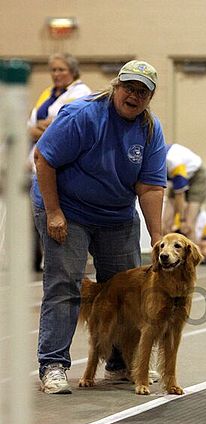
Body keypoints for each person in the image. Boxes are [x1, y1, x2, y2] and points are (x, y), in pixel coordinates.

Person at [31, 60, 167, 394]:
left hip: (116, 214)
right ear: (116, 86)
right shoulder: (83, 115)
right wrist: (54, 213)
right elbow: (43, 159)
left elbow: (150, 187)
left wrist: (158, 236)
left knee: (126, 289)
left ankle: (120, 365)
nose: (133, 96)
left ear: (149, 98)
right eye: (129, 88)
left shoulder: (150, 130)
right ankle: (53, 365)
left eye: (142, 92)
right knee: (65, 284)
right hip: (67, 208)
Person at [28, 53, 91, 271]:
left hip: (61, 167)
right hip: (35, 164)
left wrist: (41, 130)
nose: (56, 74)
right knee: (35, 217)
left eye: (61, 69)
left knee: (57, 215)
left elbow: (61, 127)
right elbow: (32, 125)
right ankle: (34, 260)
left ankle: (60, 263)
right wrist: (38, 129)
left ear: (73, 71)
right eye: (53, 70)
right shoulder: (47, 93)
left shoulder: (81, 93)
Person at [162, 143, 206, 242]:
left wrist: (181, 220)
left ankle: (193, 256)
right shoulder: (149, 160)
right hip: (176, 179)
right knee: (165, 224)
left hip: (196, 177)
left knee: (188, 226)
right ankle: (166, 255)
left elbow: (180, 194)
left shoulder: (173, 161)